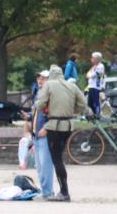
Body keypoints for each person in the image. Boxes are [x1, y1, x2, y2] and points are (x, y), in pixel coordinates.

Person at [36, 65, 87, 202]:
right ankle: (63, 190)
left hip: (54, 126)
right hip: (69, 125)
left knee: (57, 159)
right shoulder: (72, 86)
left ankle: (64, 192)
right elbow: (83, 103)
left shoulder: (49, 85)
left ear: (51, 75)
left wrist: (48, 107)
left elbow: (40, 105)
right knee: (59, 159)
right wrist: (72, 110)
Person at [29, 73, 55, 199]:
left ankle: (48, 192)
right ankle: (45, 191)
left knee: (46, 165)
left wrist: (46, 128)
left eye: (43, 78)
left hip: (45, 134)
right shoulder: (37, 94)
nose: (40, 80)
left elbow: (54, 115)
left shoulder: (50, 95)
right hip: (36, 135)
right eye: (39, 78)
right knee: (39, 167)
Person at [85, 51, 105, 118]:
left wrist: (89, 74)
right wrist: (89, 74)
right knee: (90, 102)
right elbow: (87, 74)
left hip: (95, 86)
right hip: (91, 86)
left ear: (97, 59)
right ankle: (91, 115)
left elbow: (92, 75)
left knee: (96, 102)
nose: (91, 59)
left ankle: (97, 114)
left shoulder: (100, 66)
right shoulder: (94, 67)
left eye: (93, 58)